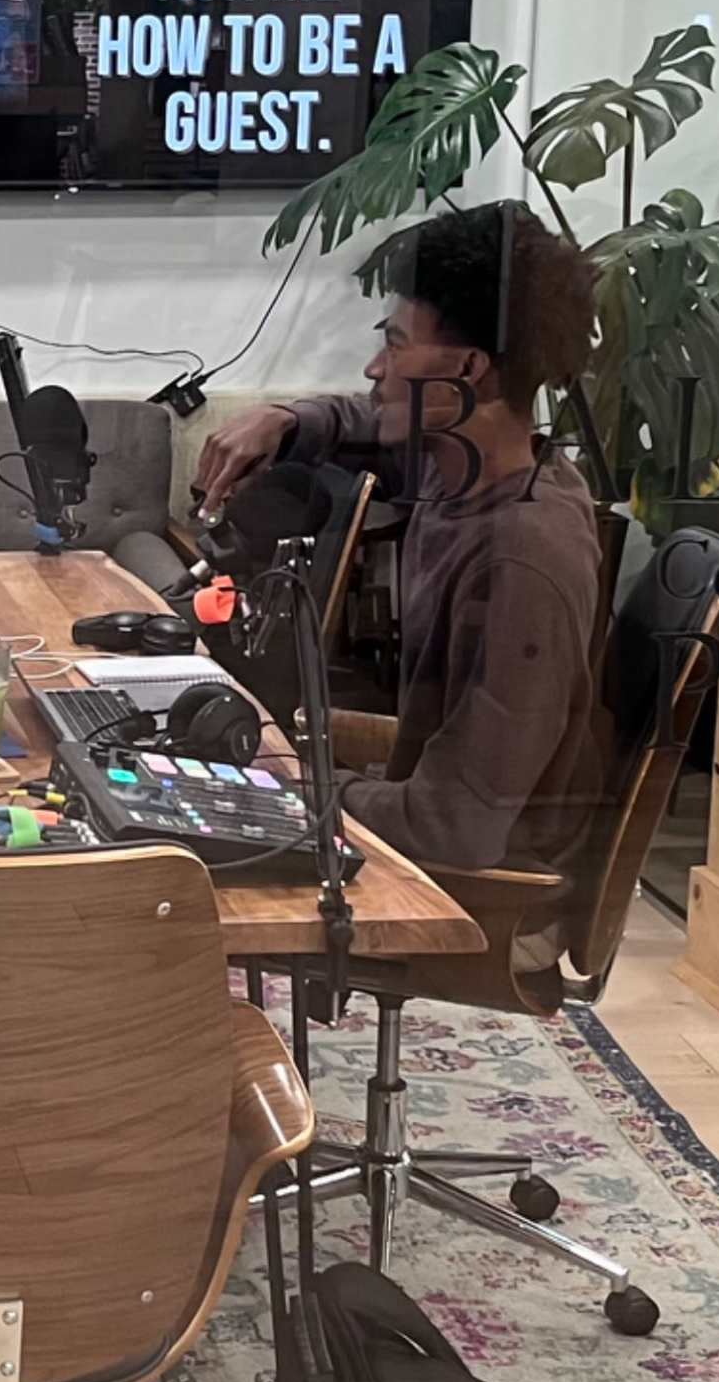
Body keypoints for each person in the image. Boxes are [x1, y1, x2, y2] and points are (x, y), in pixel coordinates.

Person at [191, 201, 615, 881]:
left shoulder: (523, 557)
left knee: (153, 884)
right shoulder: (463, 465)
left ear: (468, 368)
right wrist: (284, 419)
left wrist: (283, 787)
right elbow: (362, 419)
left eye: (394, 344)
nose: (372, 368)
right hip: (422, 845)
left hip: (478, 896)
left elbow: (456, 828)